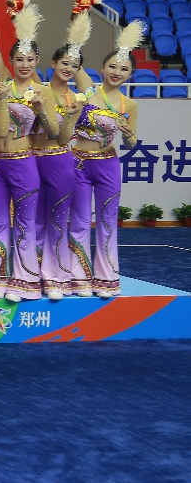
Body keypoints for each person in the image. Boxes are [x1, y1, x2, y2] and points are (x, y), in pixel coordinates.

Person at [0, 4, 58, 302]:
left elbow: (54, 131)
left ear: (37, 60)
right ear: (11, 61)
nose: (24, 64)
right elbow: (0, 130)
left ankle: (25, 280)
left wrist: (41, 110)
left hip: (24, 164)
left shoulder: (44, 91)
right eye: (19, 59)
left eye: (29, 59)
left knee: (26, 223)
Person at [67, 22, 143, 298]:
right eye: (112, 66)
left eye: (123, 69)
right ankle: (79, 278)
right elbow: (73, 57)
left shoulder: (129, 105)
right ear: (102, 68)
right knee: (79, 221)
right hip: (78, 164)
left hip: (108, 165)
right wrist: (80, 14)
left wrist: (130, 136)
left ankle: (106, 278)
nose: (116, 72)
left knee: (108, 221)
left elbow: (131, 143)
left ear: (130, 75)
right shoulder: (88, 90)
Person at [36, 31, 89, 300]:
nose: (68, 68)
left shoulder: (76, 99)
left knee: (57, 220)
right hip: (32, 160)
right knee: (33, 220)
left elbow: (63, 138)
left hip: (60, 161)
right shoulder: (38, 90)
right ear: (53, 63)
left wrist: (70, 116)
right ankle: (30, 275)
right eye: (64, 62)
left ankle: (56, 277)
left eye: (75, 65)